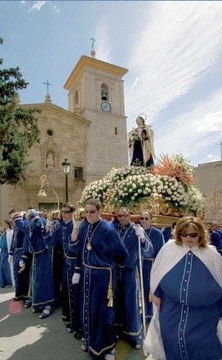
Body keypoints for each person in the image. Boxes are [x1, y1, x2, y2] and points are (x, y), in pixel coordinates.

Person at [144, 216, 222, 360]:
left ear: (201, 234)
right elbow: (158, 273)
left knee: (201, 345)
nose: (188, 238)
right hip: (172, 309)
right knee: (172, 341)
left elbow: (220, 278)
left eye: (193, 234)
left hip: (203, 314)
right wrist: (156, 293)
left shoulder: (211, 254)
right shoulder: (169, 249)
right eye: (184, 234)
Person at [69, 199, 129, 360]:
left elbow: (122, 254)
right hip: (87, 273)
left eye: (92, 212)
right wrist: (75, 226)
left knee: (103, 312)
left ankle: (108, 347)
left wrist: (108, 266)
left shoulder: (108, 230)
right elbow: (75, 248)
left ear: (99, 211)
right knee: (87, 309)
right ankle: (90, 341)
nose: (89, 215)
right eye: (87, 212)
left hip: (103, 277)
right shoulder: (84, 226)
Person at [111, 207, 154, 350]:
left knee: (131, 303)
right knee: (116, 302)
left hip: (129, 271)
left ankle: (135, 336)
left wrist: (142, 238)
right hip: (115, 270)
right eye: (119, 216)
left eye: (125, 215)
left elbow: (149, 250)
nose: (122, 218)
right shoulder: (114, 229)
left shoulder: (136, 229)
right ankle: (118, 331)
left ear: (130, 215)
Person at [20, 209, 55, 319]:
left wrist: (35, 216)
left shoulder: (40, 222)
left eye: (30, 213)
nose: (28, 214)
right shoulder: (28, 227)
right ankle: (39, 303)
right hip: (35, 257)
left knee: (45, 280)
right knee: (36, 281)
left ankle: (48, 305)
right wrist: (24, 258)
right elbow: (26, 243)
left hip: (44, 255)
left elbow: (39, 228)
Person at [50, 203, 79, 333]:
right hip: (65, 263)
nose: (63, 214)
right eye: (62, 212)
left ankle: (76, 322)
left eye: (66, 212)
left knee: (76, 293)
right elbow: (52, 242)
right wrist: (48, 229)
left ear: (72, 213)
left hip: (77, 264)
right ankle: (68, 318)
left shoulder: (76, 226)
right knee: (66, 291)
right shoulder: (61, 226)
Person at [139, 211, 165, 321]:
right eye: (142, 218)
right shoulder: (136, 231)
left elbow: (160, 251)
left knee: (148, 289)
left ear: (151, 220)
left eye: (146, 218)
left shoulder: (157, 233)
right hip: (138, 264)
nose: (144, 221)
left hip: (150, 265)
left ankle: (148, 314)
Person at [8, 209, 31, 301]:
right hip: (16, 252)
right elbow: (14, 239)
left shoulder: (24, 224)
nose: (13, 220)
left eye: (14, 218)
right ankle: (18, 294)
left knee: (23, 273)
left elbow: (25, 237)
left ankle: (25, 294)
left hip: (22, 251)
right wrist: (11, 252)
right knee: (16, 273)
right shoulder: (16, 227)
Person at [0, 219, 14, 288]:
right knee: (2, 267)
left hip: (7, 251)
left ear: (8, 224)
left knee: (7, 267)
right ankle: (3, 282)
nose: (4, 225)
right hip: (3, 251)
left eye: (6, 224)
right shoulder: (4, 232)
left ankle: (9, 282)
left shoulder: (11, 232)